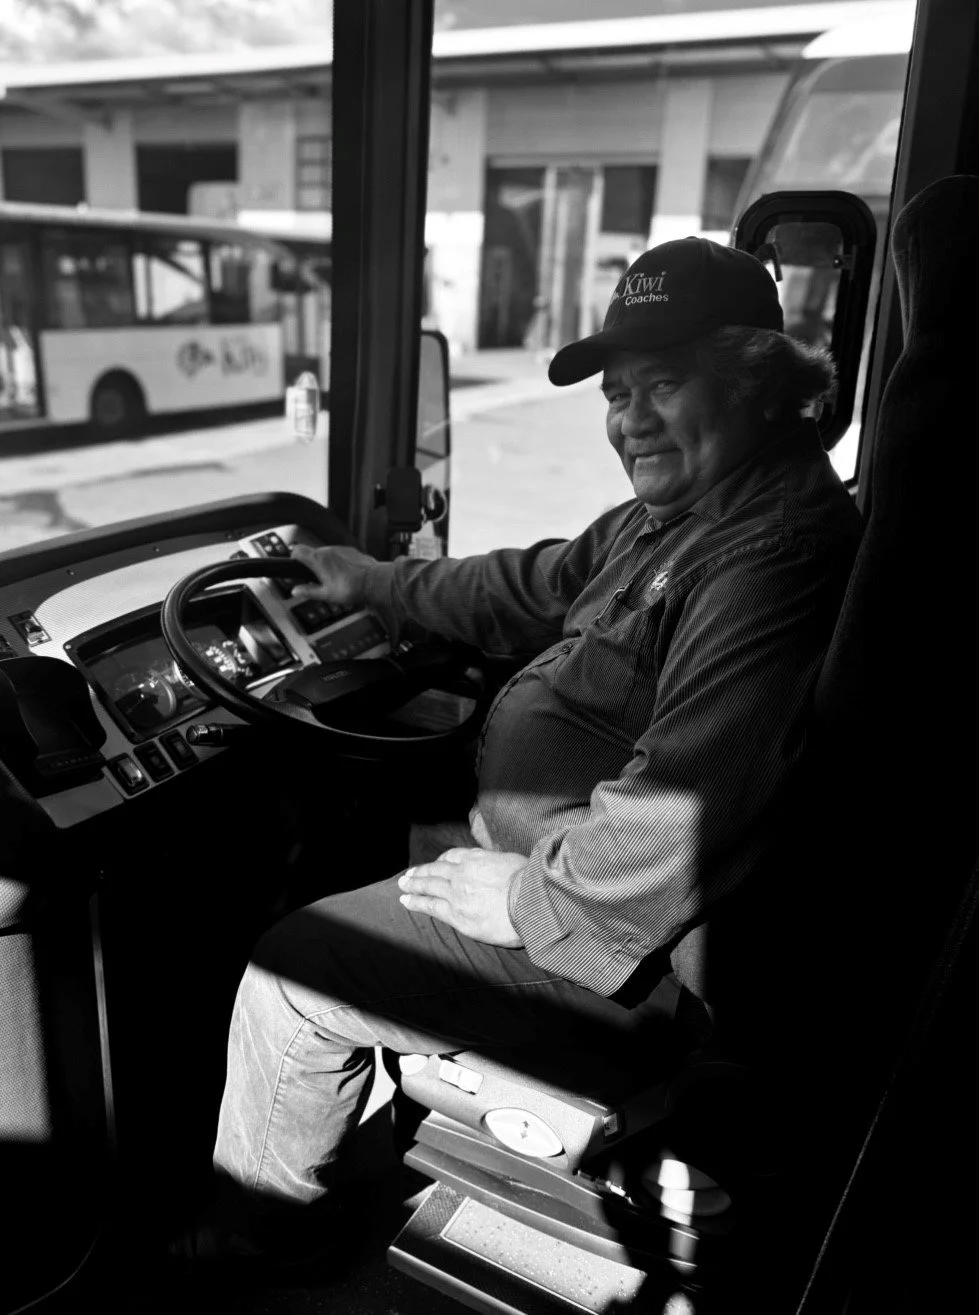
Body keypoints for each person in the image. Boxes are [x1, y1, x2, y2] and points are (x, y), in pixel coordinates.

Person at [177, 237, 863, 1266]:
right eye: (617, 393)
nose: (628, 419)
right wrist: (371, 583)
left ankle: (262, 1237)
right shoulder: (669, 521)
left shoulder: (770, 555)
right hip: (563, 873)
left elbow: (682, 809)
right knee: (346, 847)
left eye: (663, 384)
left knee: (291, 971)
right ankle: (345, 1151)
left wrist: (529, 900)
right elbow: (523, 585)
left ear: (757, 383)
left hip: (630, 952)